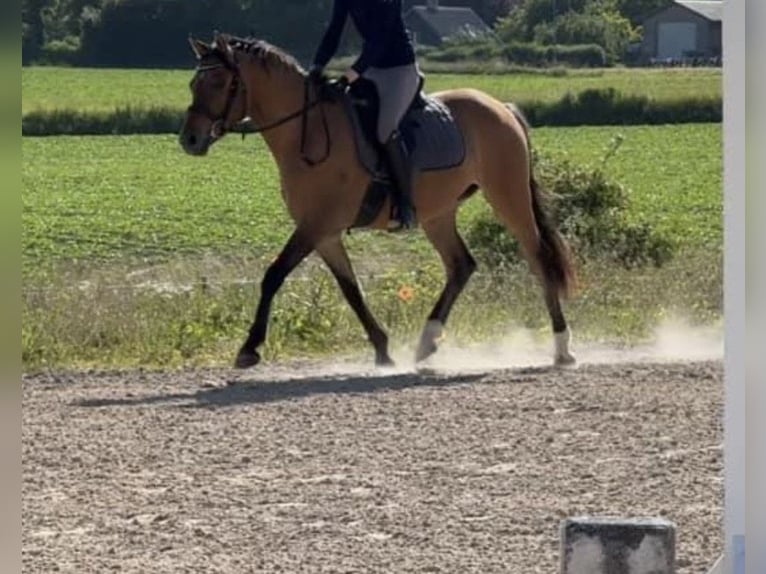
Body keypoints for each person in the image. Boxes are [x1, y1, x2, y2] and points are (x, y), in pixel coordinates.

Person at [309, 0, 421, 230]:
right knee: (343, 117)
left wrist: (348, 77)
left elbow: (378, 42)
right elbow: (334, 31)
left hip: (400, 71)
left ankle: (406, 204)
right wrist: (317, 66)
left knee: (384, 129)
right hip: (371, 70)